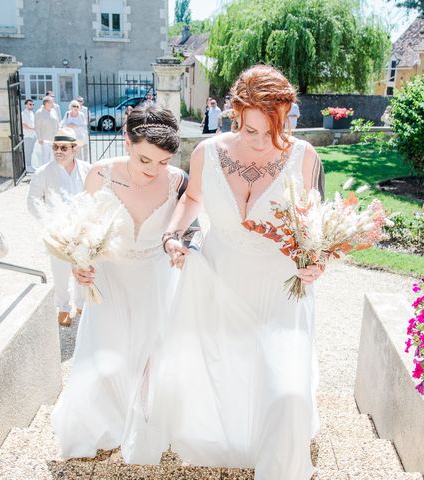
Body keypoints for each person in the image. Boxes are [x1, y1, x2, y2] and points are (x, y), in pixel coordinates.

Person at [142, 65, 323, 479]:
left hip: (278, 290)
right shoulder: (208, 152)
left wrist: (315, 259)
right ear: (234, 115)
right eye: (249, 130)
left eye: (271, 132)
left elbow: (310, 225)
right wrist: (173, 235)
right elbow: (192, 199)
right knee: (226, 372)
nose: (260, 142)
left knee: (287, 390)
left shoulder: (304, 157)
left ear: (287, 117)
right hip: (217, 278)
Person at [51, 105, 186, 459]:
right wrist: (81, 265)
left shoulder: (177, 180)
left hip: (157, 278)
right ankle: (103, 422)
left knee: (153, 353)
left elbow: (189, 226)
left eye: (162, 162)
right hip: (110, 279)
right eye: (145, 160)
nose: (154, 170)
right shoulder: (100, 175)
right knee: (107, 351)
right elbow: (83, 231)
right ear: (127, 141)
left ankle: (147, 421)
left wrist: (179, 246)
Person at [27, 128, 90, 326]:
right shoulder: (43, 172)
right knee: (60, 271)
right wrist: (48, 222)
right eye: (55, 147)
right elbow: (33, 201)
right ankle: (63, 308)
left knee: (82, 267)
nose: (58, 151)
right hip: (57, 232)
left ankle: (82, 305)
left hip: (82, 230)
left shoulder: (88, 169)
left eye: (64, 147)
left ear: (74, 149)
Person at [34, 95, 60, 166]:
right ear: (46, 104)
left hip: (54, 139)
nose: (53, 104)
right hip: (45, 140)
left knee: (54, 157)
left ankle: (53, 171)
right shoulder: (39, 113)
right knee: (45, 157)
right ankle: (45, 172)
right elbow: (37, 127)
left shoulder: (54, 111)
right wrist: (40, 138)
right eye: (51, 102)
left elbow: (57, 123)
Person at [21, 99, 37, 173]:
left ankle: (30, 165)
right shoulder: (23, 114)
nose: (32, 106)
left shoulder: (32, 113)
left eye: (33, 104)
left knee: (31, 151)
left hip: (33, 135)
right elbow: (23, 124)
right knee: (27, 151)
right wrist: (31, 128)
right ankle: (27, 166)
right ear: (26, 105)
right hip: (27, 135)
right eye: (30, 104)